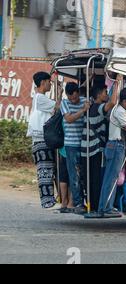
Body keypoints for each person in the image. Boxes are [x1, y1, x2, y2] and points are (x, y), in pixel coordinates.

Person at [80, 76, 121, 213]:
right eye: (105, 93)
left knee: (90, 179)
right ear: (98, 95)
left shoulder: (90, 105)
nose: (106, 95)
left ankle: (91, 204)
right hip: (95, 148)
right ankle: (97, 206)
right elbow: (113, 102)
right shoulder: (98, 107)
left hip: (85, 148)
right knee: (96, 179)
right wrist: (117, 83)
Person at [95, 88, 126, 219]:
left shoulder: (120, 110)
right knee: (112, 179)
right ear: (125, 101)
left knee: (109, 178)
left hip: (114, 146)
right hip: (116, 146)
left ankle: (104, 207)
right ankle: (106, 208)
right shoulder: (120, 112)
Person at [27, 72, 61, 209]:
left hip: (42, 140)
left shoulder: (40, 98)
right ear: (42, 83)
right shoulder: (40, 98)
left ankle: (50, 200)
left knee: (47, 170)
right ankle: (47, 202)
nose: (50, 84)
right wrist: (60, 92)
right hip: (42, 140)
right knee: (45, 172)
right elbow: (58, 107)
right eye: (49, 82)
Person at [61, 82, 90, 214]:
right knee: (74, 175)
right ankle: (78, 203)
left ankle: (87, 201)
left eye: (75, 98)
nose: (73, 100)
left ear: (78, 92)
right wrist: (83, 110)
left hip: (84, 143)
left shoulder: (85, 100)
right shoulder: (64, 103)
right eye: (71, 98)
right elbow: (69, 119)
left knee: (84, 173)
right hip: (70, 145)